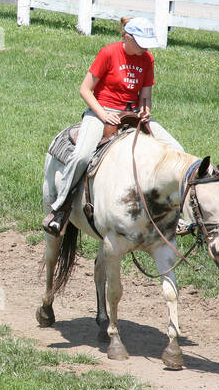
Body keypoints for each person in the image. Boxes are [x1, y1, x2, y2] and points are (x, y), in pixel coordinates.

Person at [42, 16, 185, 236]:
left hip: (132, 114)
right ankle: (61, 208)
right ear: (127, 38)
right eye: (140, 43)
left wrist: (145, 111)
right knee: (81, 155)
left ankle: (177, 213)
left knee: (178, 151)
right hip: (101, 112)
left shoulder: (147, 59)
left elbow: (145, 95)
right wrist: (103, 114)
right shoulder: (108, 53)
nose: (144, 48)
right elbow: (85, 89)